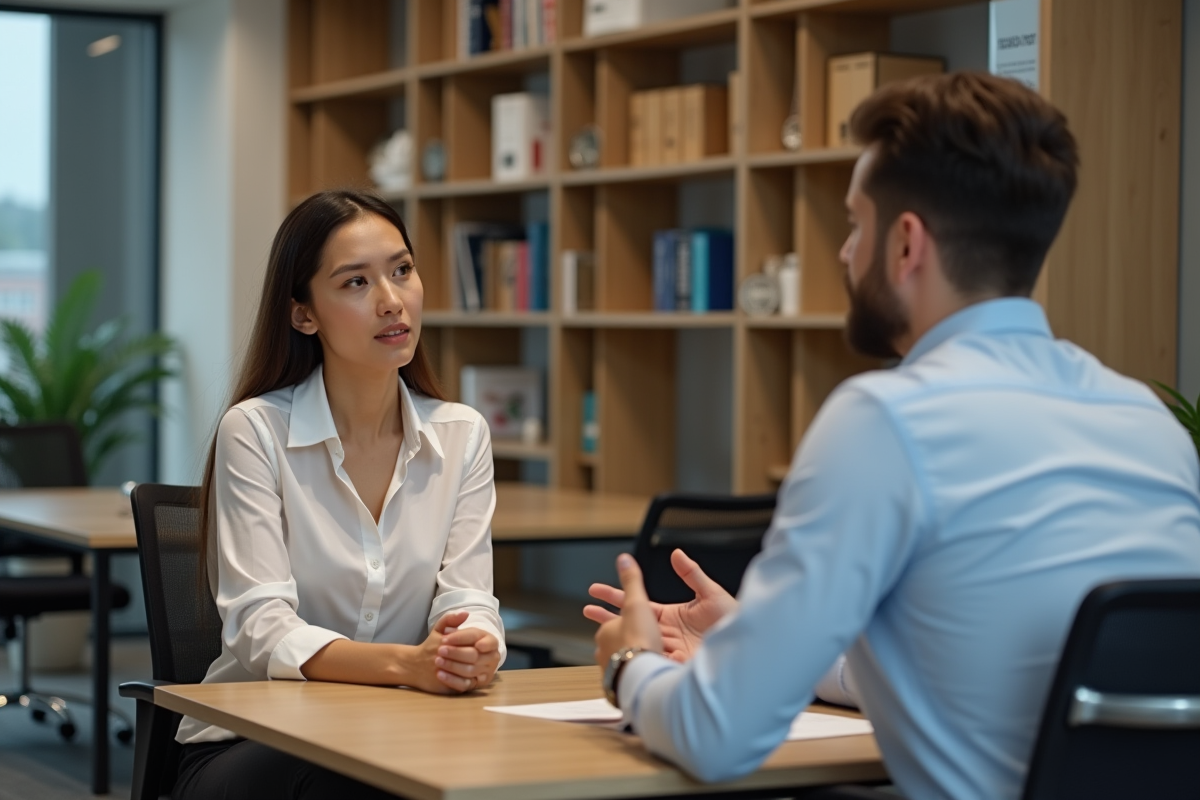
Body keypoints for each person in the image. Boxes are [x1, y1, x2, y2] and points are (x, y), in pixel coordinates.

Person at [586, 71, 1200, 800]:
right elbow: (982, 674)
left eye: (854, 224)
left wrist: (630, 667)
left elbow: (718, 737)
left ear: (906, 243)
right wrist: (758, 636)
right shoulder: (1149, 423)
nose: (845, 253)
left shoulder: (884, 420)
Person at [173, 190, 506, 800]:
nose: (391, 301)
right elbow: (262, 628)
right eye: (355, 283)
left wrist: (473, 644)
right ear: (304, 314)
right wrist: (406, 666)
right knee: (354, 784)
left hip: (402, 729)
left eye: (402, 271)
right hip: (256, 743)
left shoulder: (462, 435)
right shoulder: (256, 430)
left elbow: (467, 595)